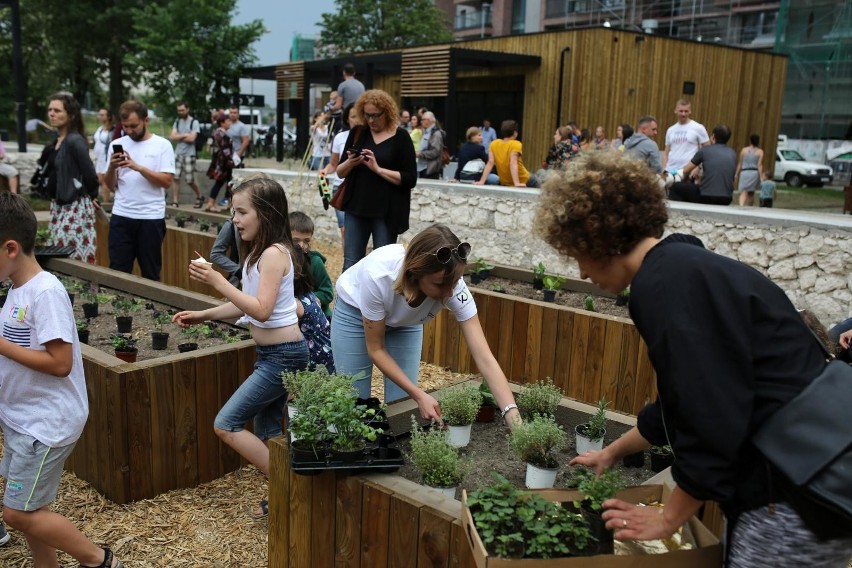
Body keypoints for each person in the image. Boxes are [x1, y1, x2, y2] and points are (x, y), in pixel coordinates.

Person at [534, 151, 852, 567]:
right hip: (817, 474)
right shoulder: (688, 267)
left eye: (577, 253)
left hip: (790, 492)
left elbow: (710, 413)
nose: (583, 272)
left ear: (598, 237)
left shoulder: (662, 288)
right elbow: (683, 402)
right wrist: (612, 453)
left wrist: (670, 515)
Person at [0, 192, 126, 568]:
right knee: (33, 509)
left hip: (45, 424)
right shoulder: (17, 290)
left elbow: (60, 362)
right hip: (24, 419)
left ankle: (100, 560)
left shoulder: (46, 292)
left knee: (17, 515)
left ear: (10, 248)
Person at [172, 175, 309, 519]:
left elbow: (260, 309)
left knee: (226, 423)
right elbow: (245, 305)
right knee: (268, 433)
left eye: (241, 211)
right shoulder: (256, 256)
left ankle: (294, 486)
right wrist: (203, 314)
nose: (234, 219)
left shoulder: (276, 254)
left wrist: (218, 280)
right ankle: (285, 500)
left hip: (284, 357)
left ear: (265, 213)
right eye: (234, 211)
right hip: (271, 355)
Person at [330, 223, 522, 426]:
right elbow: (376, 349)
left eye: (455, 282)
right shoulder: (377, 275)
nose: (450, 293)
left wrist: (514, 418)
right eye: (440, 285)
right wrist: (420, 395)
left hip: (405, 324)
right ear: (415, 272)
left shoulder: (453, 287)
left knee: (401, 405)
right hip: (355, 314)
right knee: (353, 402)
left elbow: (484, 357)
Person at [335, 89, 417, 271]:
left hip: (387, 212)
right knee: (351, 262)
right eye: (367, 115)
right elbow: (340, 172)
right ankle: (346, 300)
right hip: (356, 206)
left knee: (383, 266)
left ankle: (378, 300)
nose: (371, 120)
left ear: (387, 112)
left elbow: (410, 178)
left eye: (375, 115)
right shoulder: (358, 132)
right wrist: (351, 162)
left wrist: (378, 169)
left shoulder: (401, 137)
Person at [105, 99, 175, 281]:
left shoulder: (162, 145)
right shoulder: (116, 145)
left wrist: (138, 167)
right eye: (125, 126)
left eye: (134, 126)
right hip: (121, 215)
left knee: (150, 272)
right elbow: (110, 186)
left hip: (150, 218)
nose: (129, 131)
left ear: (146, 120)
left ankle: (152, 309)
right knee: (118, 271)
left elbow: (167, 181)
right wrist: (112, 168)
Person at [44, 93, 101, 264]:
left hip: (74, 208)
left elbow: (90, 174)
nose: (52, 114)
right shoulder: (57, 140)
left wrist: (91, 195)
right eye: (50, 110)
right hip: (58, 206)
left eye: (57, 110)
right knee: (56, 252)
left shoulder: (75, 141)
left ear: (71, 116)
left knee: (73, 255)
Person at [291, 238, 335, 374]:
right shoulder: (306, 294)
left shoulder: (296, 303)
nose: (302, 245)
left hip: (318, 365)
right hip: (327, 358)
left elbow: (328, 292)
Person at [320, 102, 361, 247]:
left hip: (360, 188)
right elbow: (334, 164)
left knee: (359, 231)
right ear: (347, 119)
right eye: (353, 116)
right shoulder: (340, 138)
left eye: (359, 116)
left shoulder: (372, 138)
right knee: (345, 229)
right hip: (341, 187)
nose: (356, 120)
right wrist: (326, 170)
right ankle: (348, 261)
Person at [673, 124, 737, 206]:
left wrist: (678, 176)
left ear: (713, 137)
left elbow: (685, 170)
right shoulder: (732, 153)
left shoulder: (705, 150)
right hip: (727, 198)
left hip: (706, 196)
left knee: (676, 187)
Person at [289, 211, 334, 321]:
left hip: (318, 318)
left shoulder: (315, 262)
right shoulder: (280, 260)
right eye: (296, 240)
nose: (301, 245)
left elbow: (327, 291)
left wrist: (311, 300)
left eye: (306, 241)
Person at [475, 120, 539, 188]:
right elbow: (513, 162)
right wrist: (516, 183)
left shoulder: (494, 144)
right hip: (524, 179)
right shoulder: (516, 144)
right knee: (538, 182)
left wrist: (481, 181)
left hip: (505, 182)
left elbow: (490, 162)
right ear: (515, 133)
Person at [661, 99, 710, 180]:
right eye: (681, 111)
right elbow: (666, 152)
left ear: (690, 111)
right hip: (670, 171)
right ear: (675, 111)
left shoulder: (698, 128)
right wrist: (664, 169)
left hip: (688, 172)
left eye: (686, 111)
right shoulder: (670, 130)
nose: (683, 114)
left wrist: (698, 167)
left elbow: (707, 150)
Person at [168, 102, 204, 209]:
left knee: (189, 179)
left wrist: (179, 136)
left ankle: (200, 195)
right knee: (175, 177)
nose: (181, 112)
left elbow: (192, 138)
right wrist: (185, 135)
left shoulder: (194, 122)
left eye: (182, 110)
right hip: (178, 153)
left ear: (187, 109)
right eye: (179, 110)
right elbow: (172, 136)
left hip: (189, 154)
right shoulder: (177, 122)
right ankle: (175, 201)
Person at [204, 112, 235, 213]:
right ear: (222, 123)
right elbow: (226, 151)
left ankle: (229, 204)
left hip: (218, 163)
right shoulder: (222, 135)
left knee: (227, 183)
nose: (230, 122)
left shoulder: (216, 133)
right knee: (223, 183)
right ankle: (211, 204)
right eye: (228, 121)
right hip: (224, 164)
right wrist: (232, 160)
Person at [329, 63, 365, 135]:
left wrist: (329, 109)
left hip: (349, 117)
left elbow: (338, 105)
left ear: (344, 73)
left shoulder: (343, 85)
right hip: (360, 116)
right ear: (354, 73)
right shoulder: (361, 85)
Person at [210, 218, 242, 287]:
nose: (235, 219)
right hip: (238, 284)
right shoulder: (231, 225)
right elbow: (216, 254)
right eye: (235, 211)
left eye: (242, 212)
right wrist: (239, 272)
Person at [735, 133, 764, 207]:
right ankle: (749, 207)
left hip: (744, 172)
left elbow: (740, 163)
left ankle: (741, 205)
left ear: (750, 141)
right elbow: (759, 165)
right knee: (751, 193)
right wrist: (761, 176)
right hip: (754, 172)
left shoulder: (744, 150)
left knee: (744, 191)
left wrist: (736, 174)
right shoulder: (760, 152)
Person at [92, 107, 114, 203]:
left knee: (105, 181)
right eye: (99, 114)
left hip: (106, 158)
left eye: (102, 115)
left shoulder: (112, 130)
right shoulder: (100, 129)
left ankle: (106, 203)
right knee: (100, 181)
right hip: (99, 158)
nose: (100, 117)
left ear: (108, 117)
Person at [416, 111, 445, 179]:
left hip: (430, 170)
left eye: (423, 119)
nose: (421, 121)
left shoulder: (436, 134)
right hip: (422, 168)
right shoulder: (426, 131)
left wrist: (420, 154)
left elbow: (435, 152)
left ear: (430, 120)